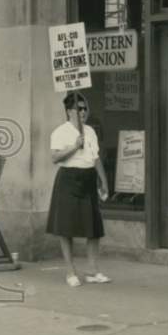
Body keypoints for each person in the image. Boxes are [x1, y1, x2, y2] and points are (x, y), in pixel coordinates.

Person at [46, 92, 110, 287]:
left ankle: (92, 270)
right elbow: (55, 158)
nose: (83, 112)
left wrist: (103, 181)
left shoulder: (90, 131)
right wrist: (74, 146)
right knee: (66, 227)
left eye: (85, 108)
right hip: (69, 178)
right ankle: (70, 271)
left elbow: (96, 157)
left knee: (94, 228)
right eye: (79, 109)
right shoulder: (60, 132)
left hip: (88, 177)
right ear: (69, 111)